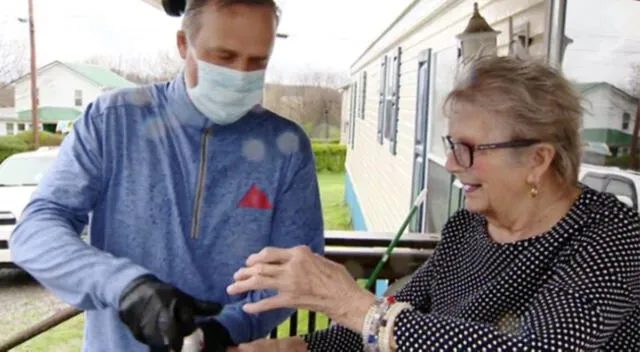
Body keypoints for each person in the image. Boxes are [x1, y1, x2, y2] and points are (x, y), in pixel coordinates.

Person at [225, 56, 640, 351]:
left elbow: (535, 346)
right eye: (450, 145)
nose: (451, 164)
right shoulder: (466, 230)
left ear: (538, 159)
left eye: (468, 148)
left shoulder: (612, 236)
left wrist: (353, 305)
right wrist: (294, 347)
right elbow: (395, 315)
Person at [9, 0, 325, 351]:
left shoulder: (286, 146)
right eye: (223, 57)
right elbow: (35, 229)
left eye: (257, 62)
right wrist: (124, 286)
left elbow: (292, 274)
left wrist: (218, 333)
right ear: (182, 44)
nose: (240, 75)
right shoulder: (113, 120)